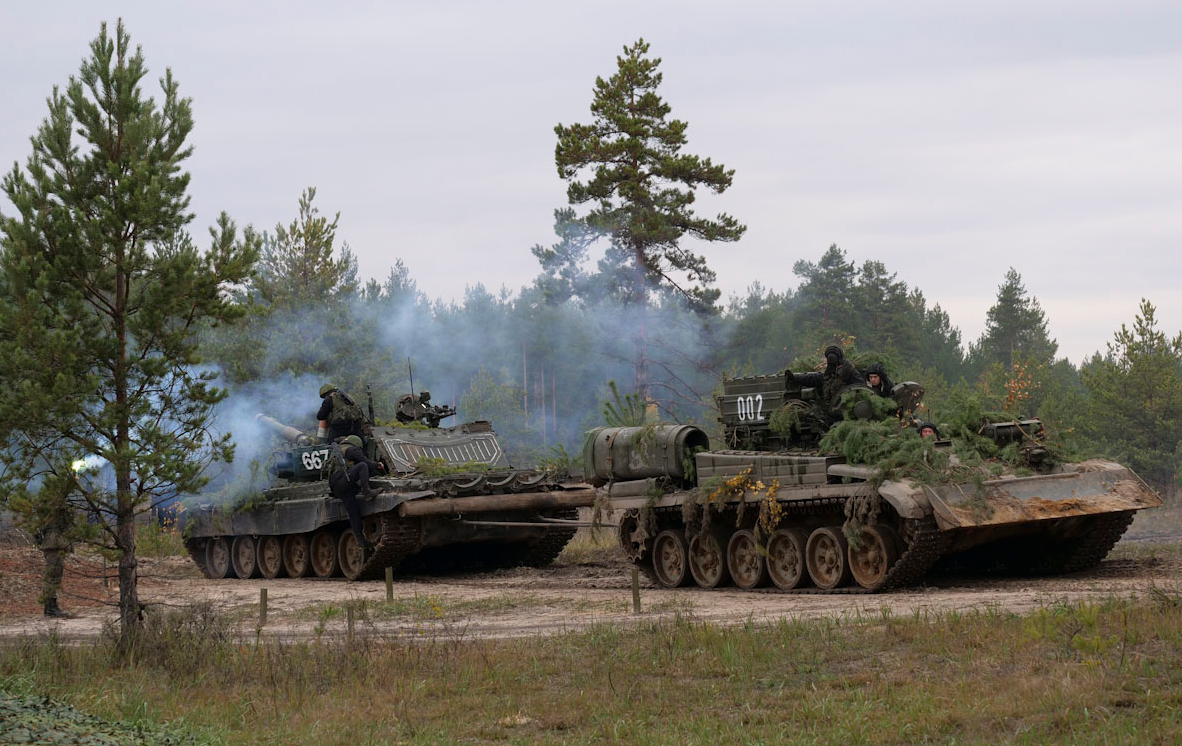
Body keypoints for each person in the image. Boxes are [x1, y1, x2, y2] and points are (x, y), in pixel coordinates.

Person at [328, 434, 385, 549]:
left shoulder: (339, 450)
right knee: (362, 466)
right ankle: (367, 492)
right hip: (342, 481)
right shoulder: (351, 449)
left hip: (337, 487)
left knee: (354, 513)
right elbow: (365, 462)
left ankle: (361, 541)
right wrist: (377, 465)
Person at [785, 345, 865, 417]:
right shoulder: (830, 372)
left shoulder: (849, 371)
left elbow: (862, 389)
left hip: (848, 412)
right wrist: (795, 377)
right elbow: (813, 378)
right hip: (833, 411)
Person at [36, 490, 74, 618]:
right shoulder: (55, 509)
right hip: (55, 544)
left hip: (52, 543)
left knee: (54, 575)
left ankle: (50, 606)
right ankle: (50, 607)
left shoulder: (45, 509)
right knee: (53, 575)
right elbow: (66, 524)